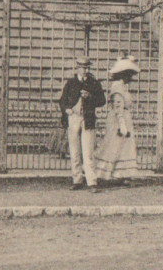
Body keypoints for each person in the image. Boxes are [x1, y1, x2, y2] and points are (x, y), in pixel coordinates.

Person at [58, 57, 106, 190]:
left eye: (87, 67)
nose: (86, 70)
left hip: (88, 119)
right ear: (77, 68)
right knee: (74, 152)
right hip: (74, 118)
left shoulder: (94, 83)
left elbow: (102, 101)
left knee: (88, 152)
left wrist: (90, 97)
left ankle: (92, 181)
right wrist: (66, 109)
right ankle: (77, 180)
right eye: (83, 67)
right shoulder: (71, 83)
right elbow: (62, 101)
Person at [95, 57, 141, 187]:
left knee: (123, 147)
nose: (131, 77)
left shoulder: (122, 86)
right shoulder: (117, 86)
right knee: (113, 145)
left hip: (124, 117)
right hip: (118, 119)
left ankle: (121, 174)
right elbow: (117, 106)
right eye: (129, 74)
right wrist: (122, 124)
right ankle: (103, 173)